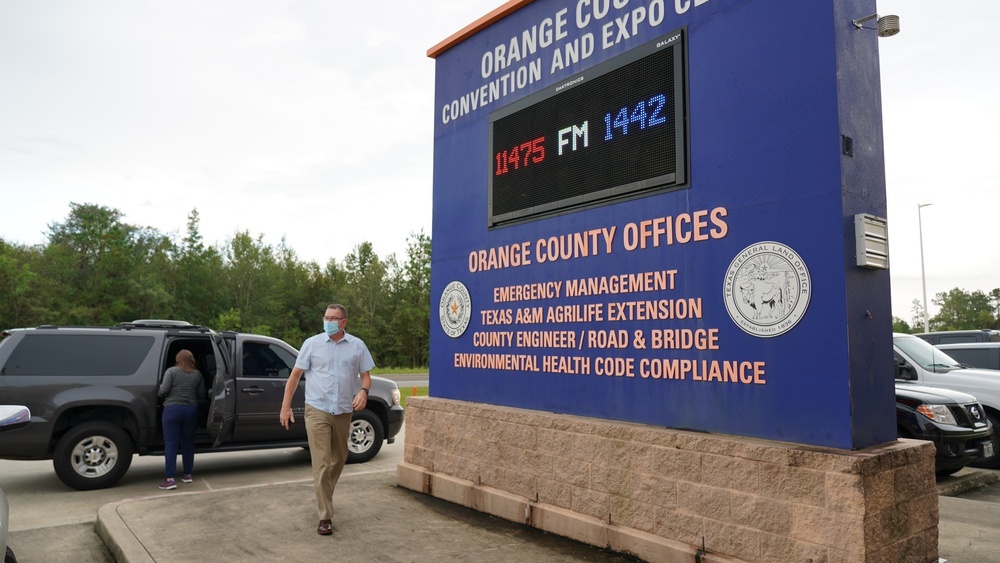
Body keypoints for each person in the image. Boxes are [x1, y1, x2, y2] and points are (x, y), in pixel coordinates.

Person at [280, 303, 374, 536]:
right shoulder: (311, 344)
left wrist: (363, 391)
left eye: (333, 317)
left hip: (343, 410)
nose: (328, 321)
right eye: (326, 317)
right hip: (317, 409)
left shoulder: (357, 346)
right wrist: (285, 407)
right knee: (321, 463)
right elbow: (294, 376)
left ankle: (323, 493)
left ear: (344, 322)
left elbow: (366, 377)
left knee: (339, 458)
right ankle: (325, 516)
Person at [158, 349, 207, 490]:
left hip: (172, 409)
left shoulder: (171, 371)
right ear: (191, 359)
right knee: (188, 442)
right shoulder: (197, 374)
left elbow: (163, 390)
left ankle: (170, 479)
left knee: (171, 444)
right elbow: (202, 393)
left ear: (177, 359)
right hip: (190, 410)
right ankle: (187, 475)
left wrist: (163, 392)